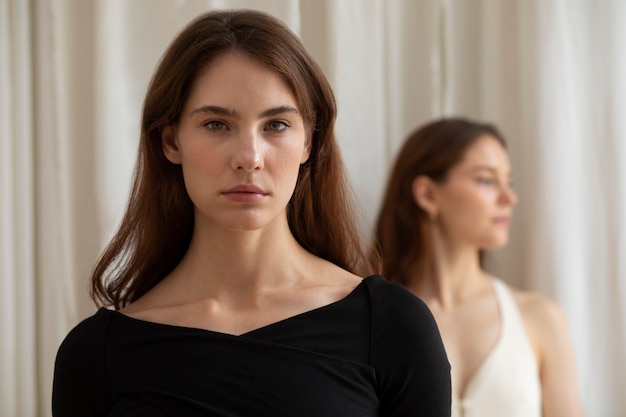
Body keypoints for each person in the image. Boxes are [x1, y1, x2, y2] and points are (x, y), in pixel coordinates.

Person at [51, 9, 451, 417]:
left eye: (276, 125)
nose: (249, 158)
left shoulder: (393, 327)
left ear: (309, 142)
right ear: (171, 141)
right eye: (216, 124)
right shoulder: (96, 354)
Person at [373, 117, 585, 417]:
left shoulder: (538, 318)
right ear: (427, 195)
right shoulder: (371, 321)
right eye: (486, 180)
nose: (509, 198)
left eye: (508, 182)